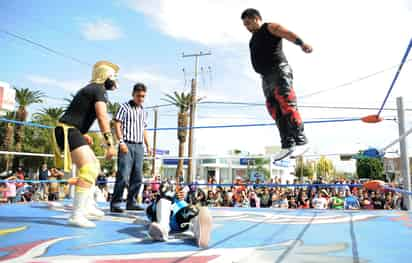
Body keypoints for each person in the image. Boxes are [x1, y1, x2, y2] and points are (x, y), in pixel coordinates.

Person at [53, 60, 119, 228]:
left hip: (71, 130)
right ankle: (76, 215)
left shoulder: (93, 89)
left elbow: (79, 113)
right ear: (105, 76)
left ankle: (87, 206)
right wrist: (110, 143)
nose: (115, 80)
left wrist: (82, 134)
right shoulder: (99, 89)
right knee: (88, 168)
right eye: (114, 76)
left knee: (95, 166)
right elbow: (102, 117)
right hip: (68, 130)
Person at [241, 8, 312, 160]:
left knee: (287, 104)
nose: (246, 27)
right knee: (275, 110)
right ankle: (287, 145)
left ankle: (302, 141)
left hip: (279, 71)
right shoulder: (253, 39)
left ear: (255, 18)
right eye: (244, 25)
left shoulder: (269, 27)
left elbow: (287, 33)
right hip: (265, 77)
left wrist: (302, 43)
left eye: (248, 23)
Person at [111, 83, 151, 213]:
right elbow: (117, 124)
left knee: (138, 176)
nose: (141, 99)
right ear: (133, 94)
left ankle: (131, 202)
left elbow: (144, 129)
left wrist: (148, 145)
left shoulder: (143, 111)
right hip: (126, 144)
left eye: (143, 96)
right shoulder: (124, 107)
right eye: (139, 96)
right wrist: (121, 142)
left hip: (139, 146)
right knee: (123, 174)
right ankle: (116, 203)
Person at [146, 182, 213, 248]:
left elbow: (186, 205)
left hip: (181, 217)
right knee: (163, 201)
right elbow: (151, 215)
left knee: (192, 212)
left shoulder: (179, 199)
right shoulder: (157, 204)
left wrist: (179, 199)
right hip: (171, 221)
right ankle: (163, 230)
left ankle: (199, 230)